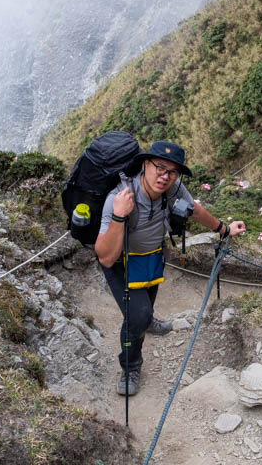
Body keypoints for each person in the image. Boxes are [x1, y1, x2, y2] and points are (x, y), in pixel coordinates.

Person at [94, 140, 246, 395]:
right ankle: (131, 366)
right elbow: (106, 258)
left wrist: (224, 229)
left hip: (152, 256)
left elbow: (193, 210)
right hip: (121, 261)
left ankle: (148, 321)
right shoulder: (119, 198)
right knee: (137, 315)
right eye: (159, 167)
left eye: (172, 172)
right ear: (145, 164)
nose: (164, 176)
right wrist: (120, 215)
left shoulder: (173, 189)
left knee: (147, 303)